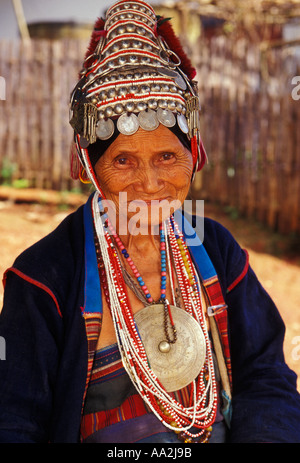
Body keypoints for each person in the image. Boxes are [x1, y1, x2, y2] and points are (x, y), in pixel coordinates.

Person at [1, 0, 300, 444]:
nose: (151, 183)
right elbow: (15, 420)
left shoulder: (216, 250)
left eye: (166, 156)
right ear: (90, 166)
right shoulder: (44, 278)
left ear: (192, 156)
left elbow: (266, 375)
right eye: (123, 160)